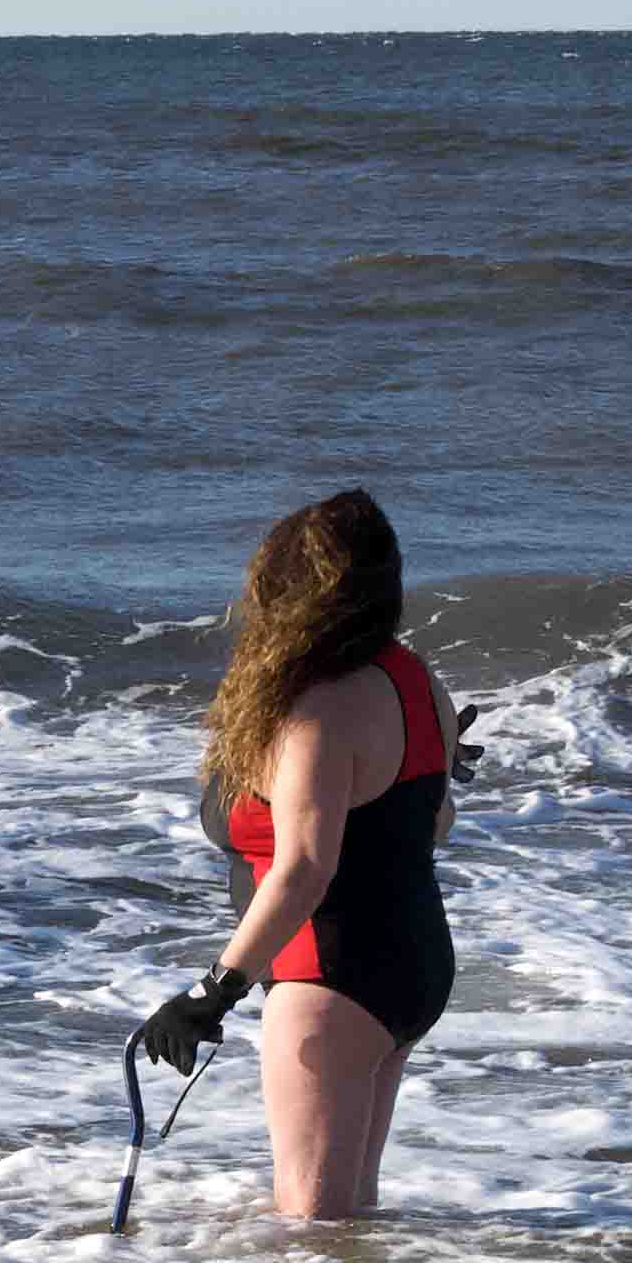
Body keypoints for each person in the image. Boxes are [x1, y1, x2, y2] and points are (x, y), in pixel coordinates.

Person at [136, 488, 454, 1222]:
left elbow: (306, 869)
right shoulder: (416, 679)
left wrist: (211, 993)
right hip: (414, 966)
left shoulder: (316, 711)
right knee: (352, 1220)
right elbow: (437, 823)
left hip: (330, 984)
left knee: (312, 1234)